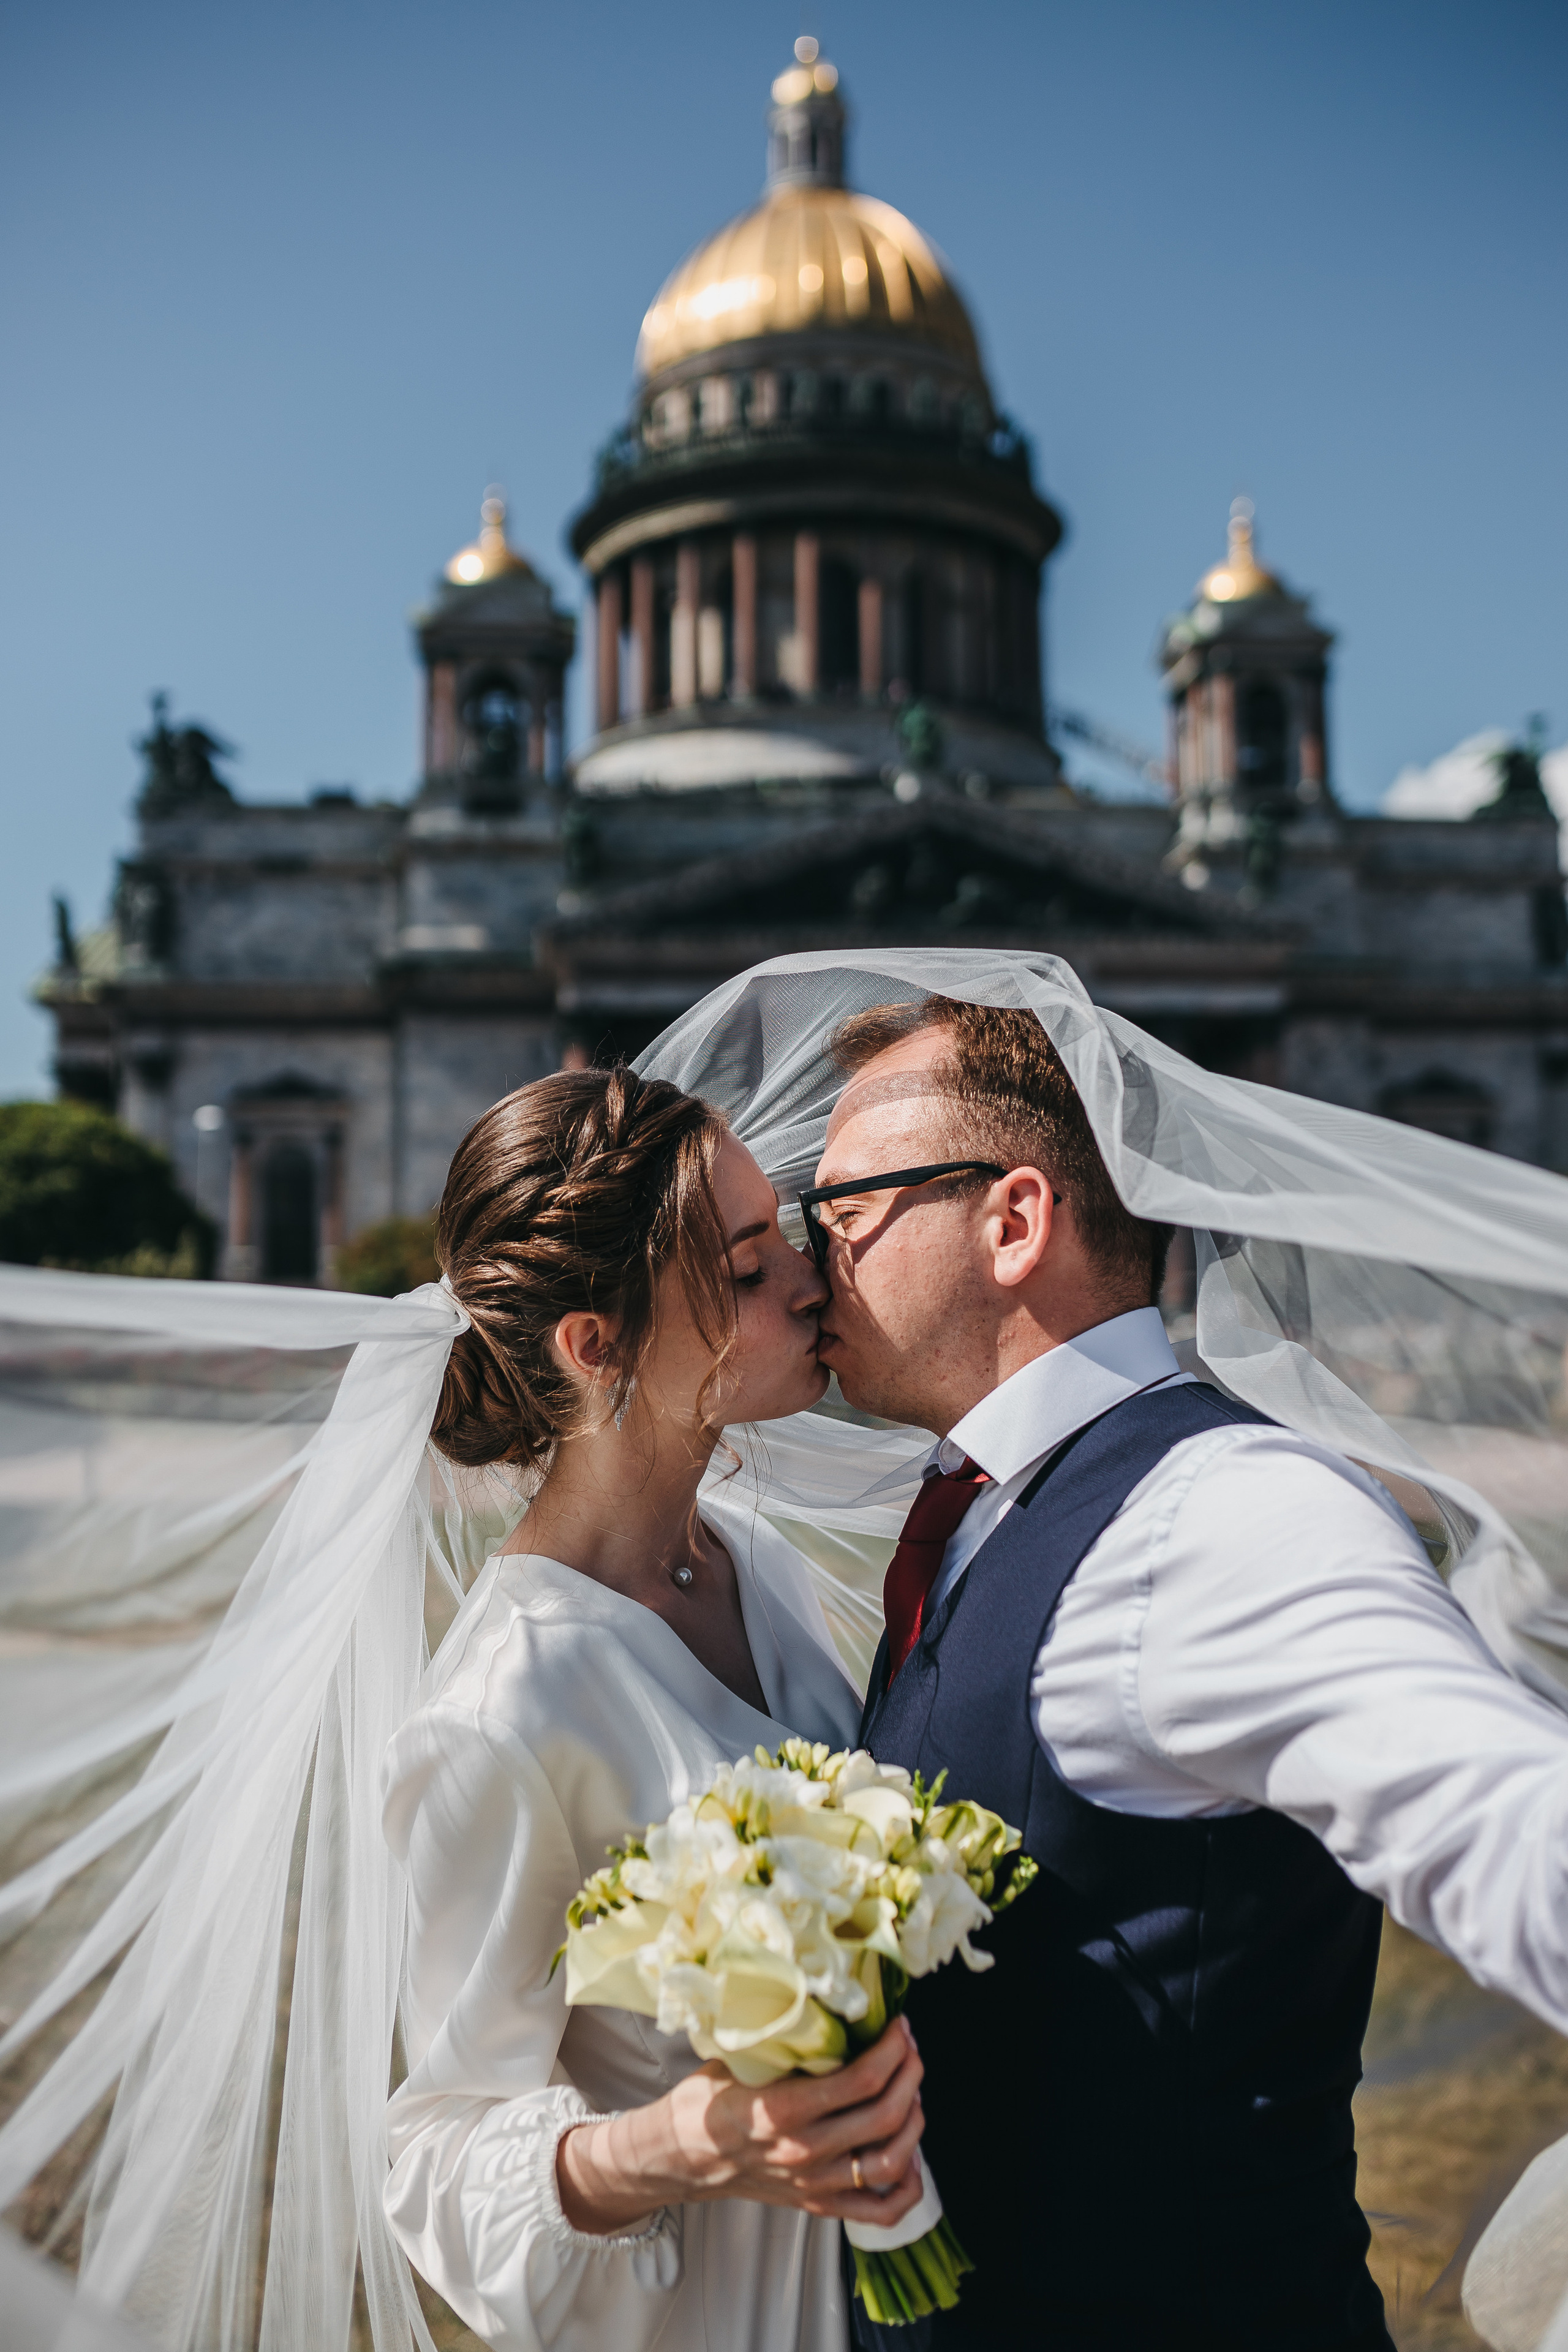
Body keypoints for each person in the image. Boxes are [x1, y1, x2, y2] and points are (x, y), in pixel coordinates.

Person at [801, 993, 1568, 2352]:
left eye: (841, 1212)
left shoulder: (1223, 1518)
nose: (810, 1269)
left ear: (1012, 1222)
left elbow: (1518, 1835)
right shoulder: (968, 1509)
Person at [379, 1065, 925, 2352]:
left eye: (781, 1236)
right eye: (742, 1270)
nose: (807, 1280)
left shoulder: (749, 1559)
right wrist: (679, 2143)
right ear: (593, 1344)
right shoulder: (503, 1710)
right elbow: (434, 2159)